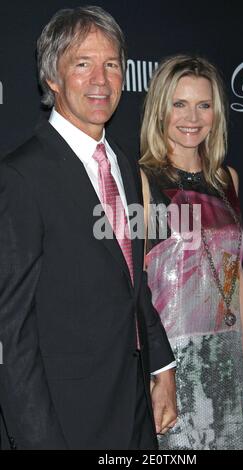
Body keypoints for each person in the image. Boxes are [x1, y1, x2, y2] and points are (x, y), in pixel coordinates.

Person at [0, 6, 177, 450]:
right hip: (66, 419)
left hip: (136, 411)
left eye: (112, 64)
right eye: (83, 64)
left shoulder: (124, 163)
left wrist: (161, 370)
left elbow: (133, 286)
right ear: (53, 78)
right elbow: (11, 329)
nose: (102, 79)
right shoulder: (21, 177)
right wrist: (38, 440)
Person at [139, 55, 243, 450]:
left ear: (217, 112)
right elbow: (134, 285)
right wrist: (154, 372)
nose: (192, 117)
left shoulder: (227, 179)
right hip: (174, 361)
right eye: (179, 104)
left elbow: (236, 275)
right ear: (161, 110)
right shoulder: (142, 182)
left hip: (227, 357)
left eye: (204, 104)